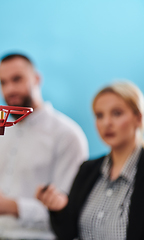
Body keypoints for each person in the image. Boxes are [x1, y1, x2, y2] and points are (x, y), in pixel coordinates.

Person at [0, 53, 89, 239]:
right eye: (3, 82)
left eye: (17, 79)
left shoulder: (67, 135)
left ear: (37, 79)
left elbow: (68, 211)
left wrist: (13, 207)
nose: (10, 89)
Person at [36, 81, 144, 240]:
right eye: (99, 115)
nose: (107, 123)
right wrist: (59, 208)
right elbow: (68, 233)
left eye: (117, 113)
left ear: (138, 118)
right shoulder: (88, 170)